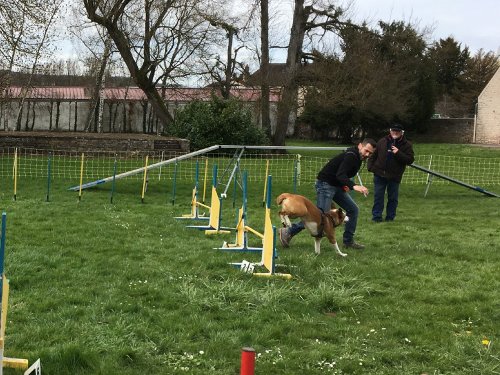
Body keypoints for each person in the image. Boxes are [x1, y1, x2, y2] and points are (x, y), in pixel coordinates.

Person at [279, 138, 377, 250]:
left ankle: (348, 242)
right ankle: (288, 231)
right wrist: (354, 186)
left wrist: (343, 186)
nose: (367, 154)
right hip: (325, 184)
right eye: (366, 150)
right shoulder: (351, 156)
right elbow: (340, 174)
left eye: (370, 153)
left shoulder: (357, 158)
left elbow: (339, 175)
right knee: (320, 216)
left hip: (335, 185)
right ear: (360, 146)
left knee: (353, 209)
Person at [367, 124, 415, 222]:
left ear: (402, 132)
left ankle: (390, 218)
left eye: (397, 131)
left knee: (393, 198)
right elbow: (373, 155)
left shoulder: (407, 145)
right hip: (380, 174)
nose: (395, 133)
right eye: (393, 130)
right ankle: (376, 217)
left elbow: (410, 160)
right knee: (378, 197)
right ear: (390, 131)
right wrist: (371, 167)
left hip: (395, 176)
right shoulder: (382, 141)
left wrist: (398, 153)